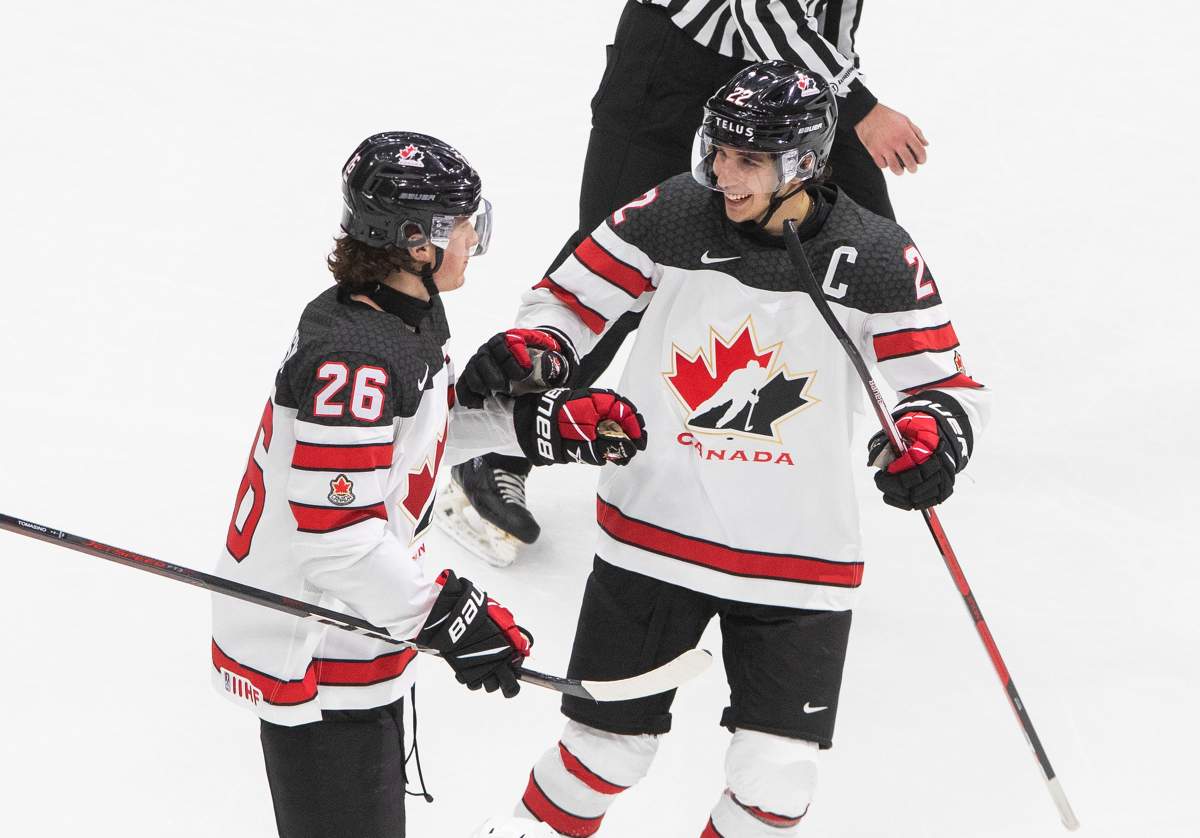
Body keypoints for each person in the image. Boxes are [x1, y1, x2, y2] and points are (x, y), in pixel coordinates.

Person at [464, 61, 989, 835]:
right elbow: (566, 304)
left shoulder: (875, 255)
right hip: (653, 537)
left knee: (775, 782)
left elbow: (941, 385)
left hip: (799, 558)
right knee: (602, 753)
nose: (722, 173)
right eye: (719, 151)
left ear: (805, 162)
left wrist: (930, 438)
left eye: (748, 161)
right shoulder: (672, 214)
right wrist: (537, 346)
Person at [209, 132, 646, 838]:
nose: (476, 236)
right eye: (465, 222)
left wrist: (531, 428)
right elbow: (334, 539)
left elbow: (399, 452)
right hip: (314, 643)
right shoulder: (355, 359)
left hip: (352, 625)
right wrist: (444, 611)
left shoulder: (389, 318)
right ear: (418, 241)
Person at [444, 0, 929, 567]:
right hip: (671, 72)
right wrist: (859, 106)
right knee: (624, 263)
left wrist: (834, 94)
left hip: (789, 84)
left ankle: (910, 419)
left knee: (863, 238)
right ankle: (496, 447)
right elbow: (760, 9)